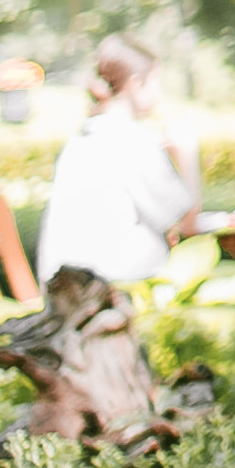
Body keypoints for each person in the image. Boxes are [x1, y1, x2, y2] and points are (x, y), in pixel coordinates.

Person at [36, 38, 201, 285]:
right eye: (156, 82)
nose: (159, 93)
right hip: (114, 289)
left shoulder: (79, 141)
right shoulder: (133, 140)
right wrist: (188, 154)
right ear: (135, 84)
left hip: (63, 287)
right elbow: (188, 224)